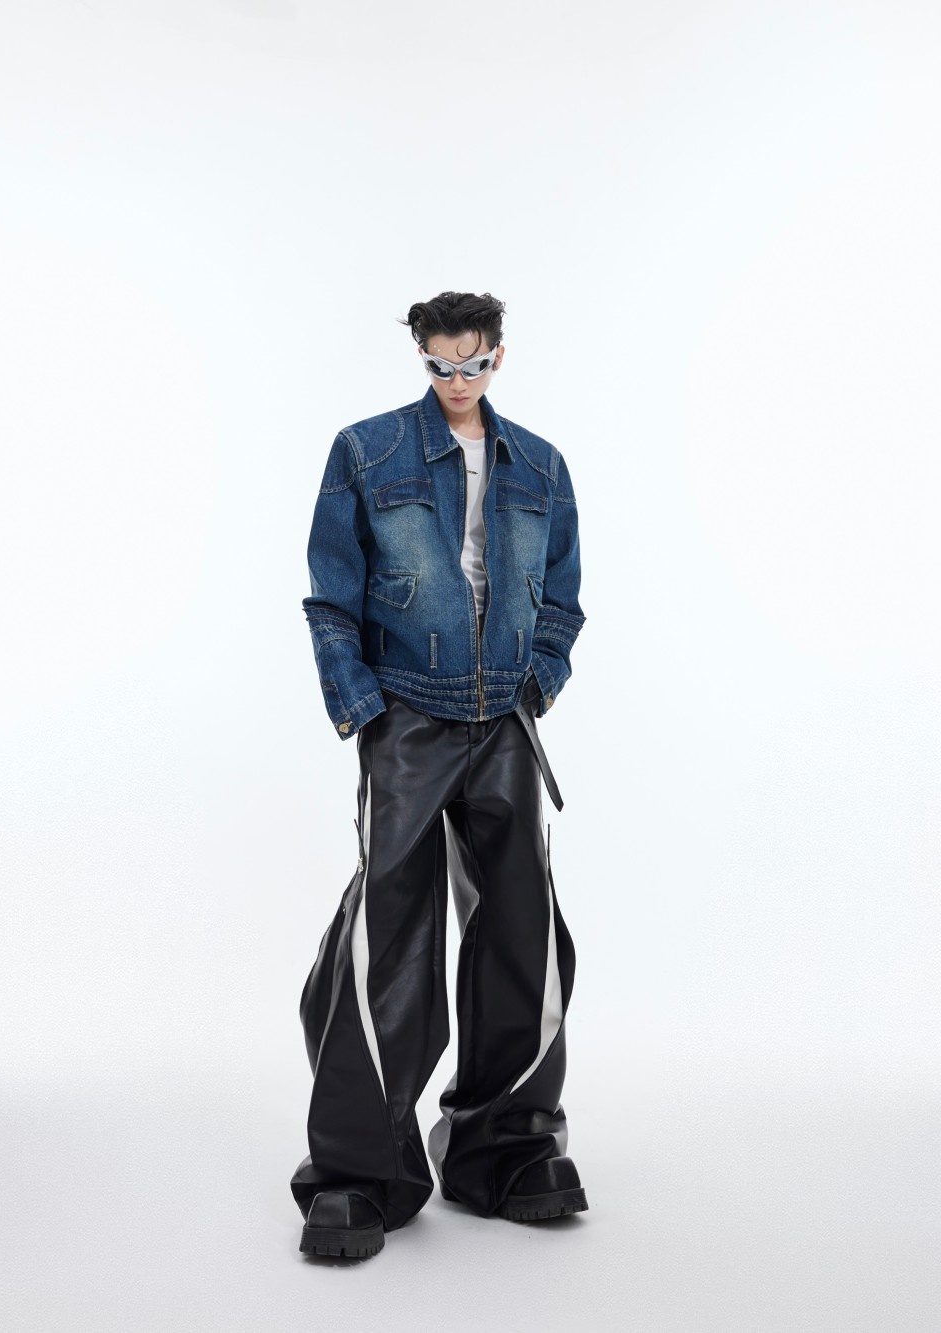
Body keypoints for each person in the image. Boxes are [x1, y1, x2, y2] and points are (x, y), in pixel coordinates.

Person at [291, 291, 587, 1259]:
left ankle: (506, 1145)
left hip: (503, 720)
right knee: (389, 931)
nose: (457, 381)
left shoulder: (540, 464)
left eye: (474, 363)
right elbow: (330, 598)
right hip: (409, 717)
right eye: (439, 366)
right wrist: (364, 710)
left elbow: (563, 600)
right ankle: (357, 1170)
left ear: (499, 355)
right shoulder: (366, 452)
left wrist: (537, 682)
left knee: (523, 926)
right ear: (421, 357)